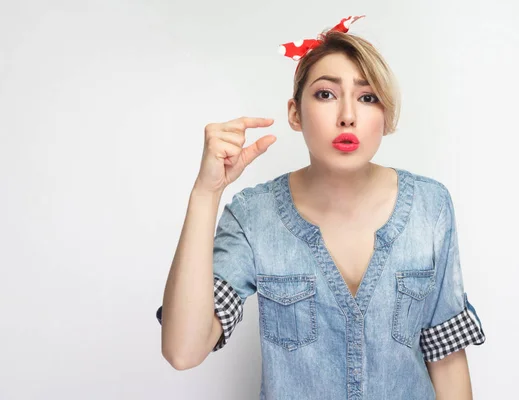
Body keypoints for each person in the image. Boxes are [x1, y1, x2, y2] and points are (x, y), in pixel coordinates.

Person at [156, 15, 486, 400]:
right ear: (295, 113)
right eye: (326, 94)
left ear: (386, 115)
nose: (347, 115)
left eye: (367, 97)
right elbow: (183, 350)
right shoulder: (253, 216)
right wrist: (205, 193)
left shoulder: (431, 208)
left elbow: (446, 359)